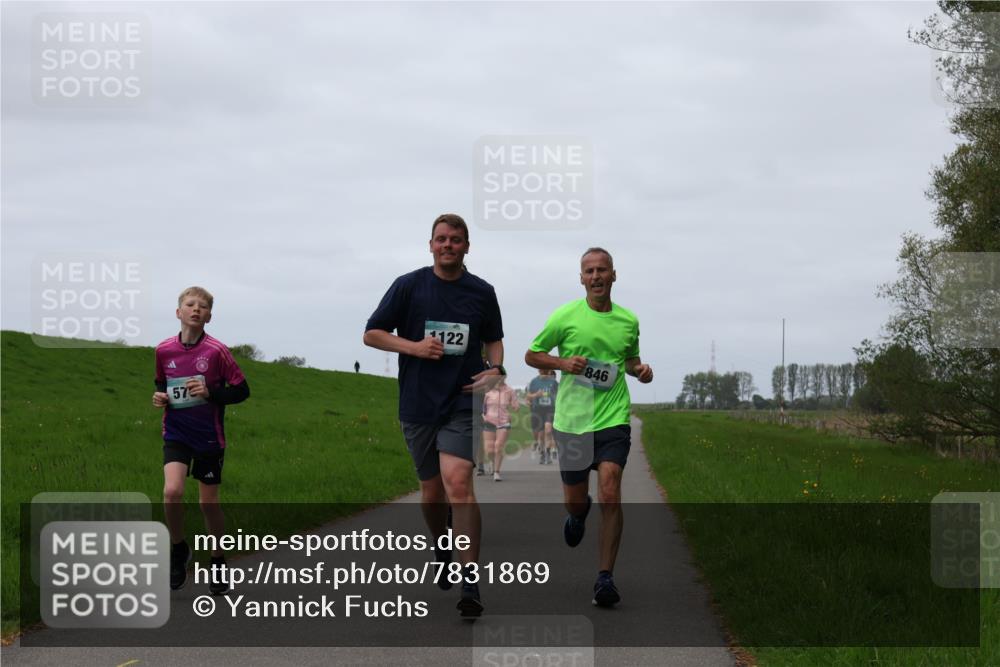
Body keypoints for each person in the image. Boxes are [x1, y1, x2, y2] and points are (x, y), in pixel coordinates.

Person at [363, 213, 504, 617]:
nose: (448, 245)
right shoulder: (408, 286)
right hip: (418, 403)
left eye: (456, 240)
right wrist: (415, 348)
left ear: (466, 246)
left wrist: (496, 370)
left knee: (458, 484)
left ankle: (469, 580)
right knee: (431, 493)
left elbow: (493, 341)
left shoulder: (481, 292)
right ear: (430, 245)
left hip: (462, 400)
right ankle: (442, 545)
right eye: (441, 239)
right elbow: (372, 333)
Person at [525, 248, 653, 607]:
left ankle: (605, 578)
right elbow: (532, 354)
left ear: (614, 275)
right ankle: (577, 515)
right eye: (589, 271)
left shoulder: (628, 321)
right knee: (575, 501)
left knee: (611, 489)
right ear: (581, 278)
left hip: (613, 417)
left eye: (602, 270)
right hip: (573, 421)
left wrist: (641, 371)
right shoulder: (565, 316)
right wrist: (563, 362)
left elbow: (629, 361)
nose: (596, 276)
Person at [152, 286, 251, 595]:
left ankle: (218, 560)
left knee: (208, 504)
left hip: (209, 436)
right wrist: (159, 397)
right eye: (190, 304)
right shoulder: (163, 350)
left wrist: (211, 393)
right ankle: (179, 549)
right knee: (172, 491)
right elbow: (161, 384)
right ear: (179, 311)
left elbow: (241, 390)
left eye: (203, 306)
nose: (196, 309)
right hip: (177, 432)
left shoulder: (217, 352)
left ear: (209, 316)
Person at [482, 376, 520, 481]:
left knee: (498, 446)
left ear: (504, 377)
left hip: (504, 422)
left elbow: (515, 405)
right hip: (489, 422)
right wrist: (483, 417)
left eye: (501, 376)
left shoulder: (510, 391)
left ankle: (496, 472)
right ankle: (492, 462)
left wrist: (515, 407)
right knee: (489, 450)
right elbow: (482, 407)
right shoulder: (487, 391)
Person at [525, 368, 559, 464]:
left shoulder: (554, 382)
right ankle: (542, 453)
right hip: (538, 409)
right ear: (539, 370)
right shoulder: (534, 382)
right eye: (542, 368)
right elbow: (528, 396)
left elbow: (559, 394)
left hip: (550, 409)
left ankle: (548, 453)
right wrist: (536, 394)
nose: (544, 371)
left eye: (545, 368)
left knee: (548, 430)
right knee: (540, 434)